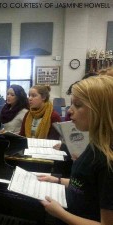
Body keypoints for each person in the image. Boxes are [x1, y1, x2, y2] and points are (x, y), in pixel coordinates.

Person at [38, 75, 113, 225]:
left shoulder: (107, 161)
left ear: (99, 110)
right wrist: (58, 180)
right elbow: (84, 185)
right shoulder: (94, 145)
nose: (69, 111)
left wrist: (61, 214)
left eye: (78, 105)